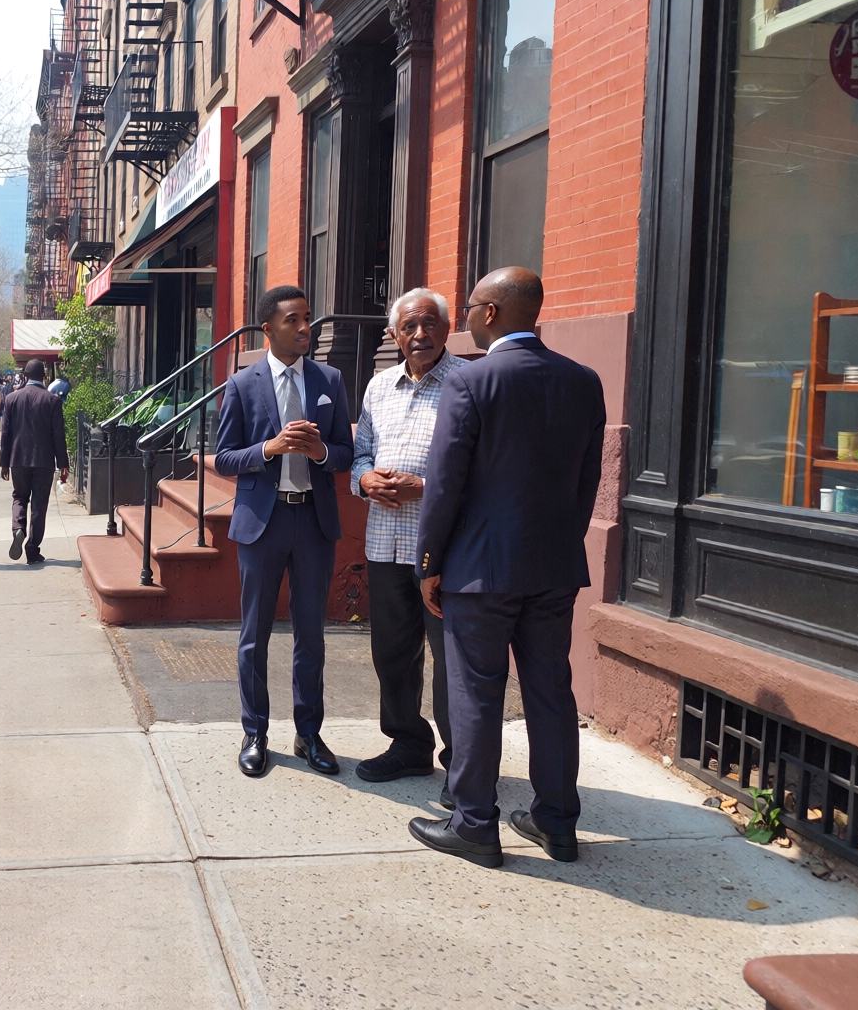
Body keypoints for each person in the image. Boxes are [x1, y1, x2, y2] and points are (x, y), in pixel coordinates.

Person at [408, 267, 605, 870]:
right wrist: (561, 546)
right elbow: (587, 480)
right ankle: (556, 822)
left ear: (491, 313)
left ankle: (475, 825)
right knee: (551, 694)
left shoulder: (471, 382)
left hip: (480, 571)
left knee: (476, 694)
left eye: (469, 307)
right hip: (552, 567)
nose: (464, 316)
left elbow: (445, 484)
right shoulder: (583, 381)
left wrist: (429, 562)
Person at [213, 285, 354, 780]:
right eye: (293, 320)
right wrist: (269, 448)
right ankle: (255, 732)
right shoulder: (243, 384)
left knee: (311, 633)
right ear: (268, 329)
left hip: (314, 522)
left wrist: (320, 454)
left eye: (308, 318)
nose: (304, 328)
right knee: (254, 635)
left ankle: (309, 733)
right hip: (262, 523)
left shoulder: (330, 379)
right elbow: (225, 457)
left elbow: (345, 453)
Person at [350, 288, 467, 791]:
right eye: (409, 327)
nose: (420, 335)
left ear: (446, 327)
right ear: (395, 335)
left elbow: (482, 466)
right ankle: (407, 745)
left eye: (429, 324)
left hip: (446, 549)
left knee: (452, 662)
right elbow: (360, 454)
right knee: (392, 653)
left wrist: (425, 486)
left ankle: (462, 766)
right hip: (385, 544)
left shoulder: (469, 382)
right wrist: (364, 480)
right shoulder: (379, 386)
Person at [0, 359, 69, 565]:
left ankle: (18, 528)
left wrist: (4, 462)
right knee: (39, 504)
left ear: (25, 375)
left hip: (18, 459)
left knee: (19, 497)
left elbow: (6, 434)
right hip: (43, 460)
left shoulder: (11, 398)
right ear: (44, 376)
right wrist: (63, 461)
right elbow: (58, 435)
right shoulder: (52, 400)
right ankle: (32, 548)